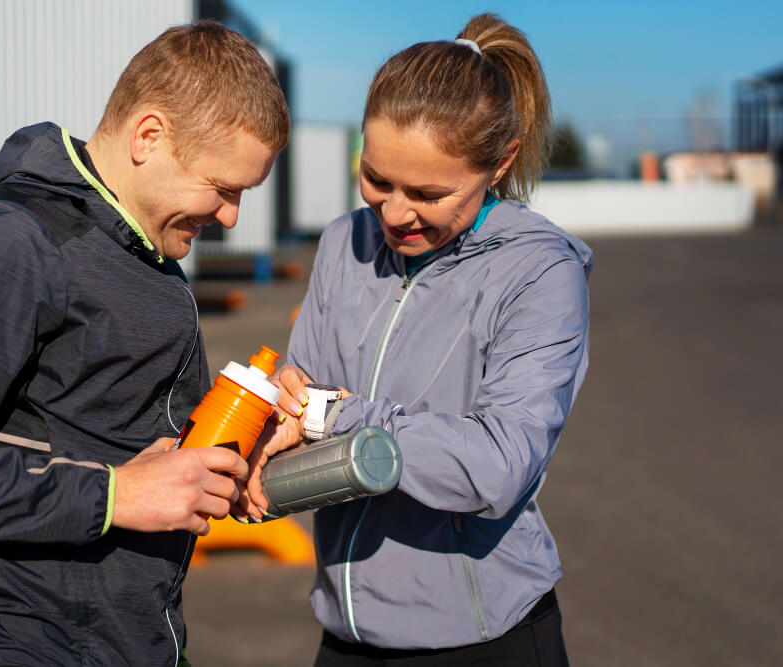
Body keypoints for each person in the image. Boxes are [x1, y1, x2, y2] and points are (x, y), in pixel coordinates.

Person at [0, 21, 288, 666]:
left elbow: (132, 445)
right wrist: (117, 495)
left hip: (130, 642)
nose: (230, 217)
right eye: (223, 189)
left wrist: (255, 426)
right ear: (149, 136)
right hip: (13, 642)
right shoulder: (5, 243)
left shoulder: (142, 251)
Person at [244, 13, 590, 666]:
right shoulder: (343, 243)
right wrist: (266, 453)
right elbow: (305, 414)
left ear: (501, 162)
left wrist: (334, 414)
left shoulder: (541, 271)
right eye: (376, 179)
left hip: (484, 641)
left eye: (428, 193)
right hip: (346, 636)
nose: (395, 213)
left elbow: (497, 464)